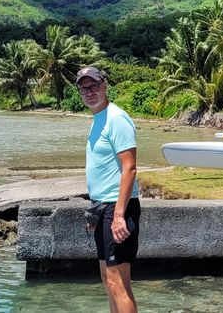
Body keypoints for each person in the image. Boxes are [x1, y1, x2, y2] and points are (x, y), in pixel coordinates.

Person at [77, 66, 140, 313]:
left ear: (105, 86)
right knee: (108, 279)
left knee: (118, 283)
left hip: (118, 208)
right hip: (104, 207)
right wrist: (96, 210)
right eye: (84, 88)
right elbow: (103, 169)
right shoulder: (98, 120)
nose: (90, 92)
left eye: (94, 86)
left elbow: (130, 169)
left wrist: (118, 215)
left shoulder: (117, 118)